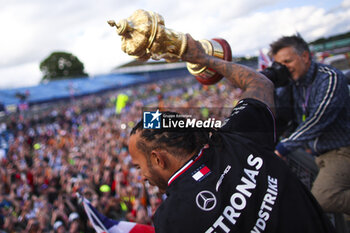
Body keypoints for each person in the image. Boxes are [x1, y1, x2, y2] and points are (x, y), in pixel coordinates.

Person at [128, 34, 335, 233]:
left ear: (157, 158)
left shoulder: (171, 220)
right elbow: (259, 83)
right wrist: (202, 58)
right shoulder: (236, 137)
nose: (143, 176)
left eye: (139, 166)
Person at [270, 35, 350, 214]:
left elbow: (318, 119)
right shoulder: (294, 84)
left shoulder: (329, 78)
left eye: (288, 62)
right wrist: (274, 84)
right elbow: (283, 115)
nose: (285, 69)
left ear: (305, 57)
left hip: (342, 150)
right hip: (319, 153)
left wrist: (283, 148)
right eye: (280, 65)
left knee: (323, 198)